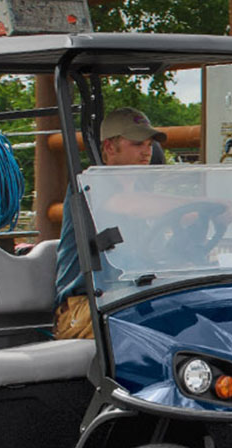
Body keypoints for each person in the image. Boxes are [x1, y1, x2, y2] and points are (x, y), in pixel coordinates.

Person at [53, 107, 166, 339]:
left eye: (149, 144)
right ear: (109, 147)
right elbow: (132, 205)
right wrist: (202, 203)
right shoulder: (90, 184)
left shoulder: (142, 189)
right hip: (85, 307)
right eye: (137, 144)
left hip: (131, 297)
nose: (146, 152)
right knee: (146, 329)